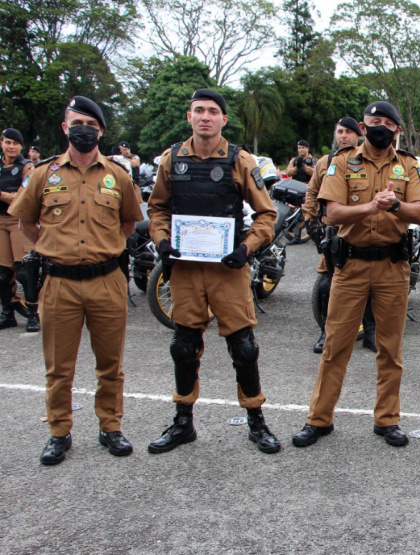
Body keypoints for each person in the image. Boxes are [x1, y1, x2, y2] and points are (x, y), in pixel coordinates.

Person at [9, 96, 144, 465]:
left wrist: (106, 246)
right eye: (77, 123)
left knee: (110, 365)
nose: (84, 129)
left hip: (106, 281)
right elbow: (26, 223)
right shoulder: (43, 174)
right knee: (58, 367)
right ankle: (59, 432)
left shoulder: (118, 175)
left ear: (101, 130)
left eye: (92, 124)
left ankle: (110, 427)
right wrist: (55, 249)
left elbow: (129, 221)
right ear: (66, 128)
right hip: (59, 283)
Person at [146, 88, 281, 455]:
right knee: (183, 347)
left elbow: (267, 215)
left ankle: (256, 421)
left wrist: (246, 248)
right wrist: (161, 242)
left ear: (223, 119)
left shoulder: (241, 160)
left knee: (244, 348)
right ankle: (182, 423)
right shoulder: (170, 160)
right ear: (189, 117)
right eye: (198, 111)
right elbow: (157, 209)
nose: (205, 117)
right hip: (186, 270)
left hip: (227, 270)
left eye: (212, 111)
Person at [292, 101, 420, 449]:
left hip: (392, 268)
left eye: (385, 122)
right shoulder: (342, 162)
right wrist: (371, 206)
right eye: (372, 121)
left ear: (396, 129)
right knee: (336, 345)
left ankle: (387, 421)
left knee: (389, 348)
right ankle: (319, 420)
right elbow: (333, 214)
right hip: (350, 267)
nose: (378, 126)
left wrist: (394, 205)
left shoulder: (408, 166)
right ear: (363, 127)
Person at [303, 117, 377, 354]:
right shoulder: (325, 162)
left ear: (359, 135)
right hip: (332, 231)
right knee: (326, 282)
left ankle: (371, 333)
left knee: (369, 283)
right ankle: (326, 332)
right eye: (339, 131)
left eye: (348, 132)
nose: (343, 135)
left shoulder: (367, 159)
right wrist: (312, 225)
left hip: (361, 230)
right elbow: (312, 194)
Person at [1, 128, 37, 331]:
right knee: (2, 274)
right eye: (8, 142)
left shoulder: (27, 166)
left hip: (18, 221)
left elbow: (22, 196)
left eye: (15, 143)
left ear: (21, 146)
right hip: (0, 221)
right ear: (2, 143)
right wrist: (8, 194)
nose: (11, 146)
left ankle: (33, 313)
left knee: (25, 271)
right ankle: (8, 312)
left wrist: (2, 194)